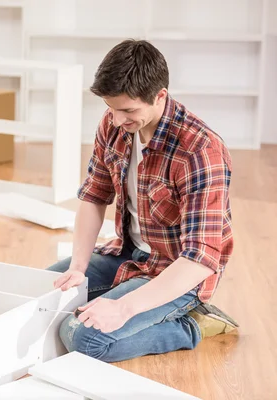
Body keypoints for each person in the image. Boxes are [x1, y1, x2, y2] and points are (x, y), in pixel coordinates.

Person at [48, 39, 239, 363]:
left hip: (177, 272)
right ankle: (124, 300)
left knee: (82, 338)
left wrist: (123, 308)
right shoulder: (113, 125)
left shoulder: (200, 151)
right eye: (111, 107)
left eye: (128, 110)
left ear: (160, 96)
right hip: (128, 254)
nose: (117, 118)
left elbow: (200, 258)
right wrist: (78, 268)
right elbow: (94, 197)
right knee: (41, 295)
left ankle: (191, 325)